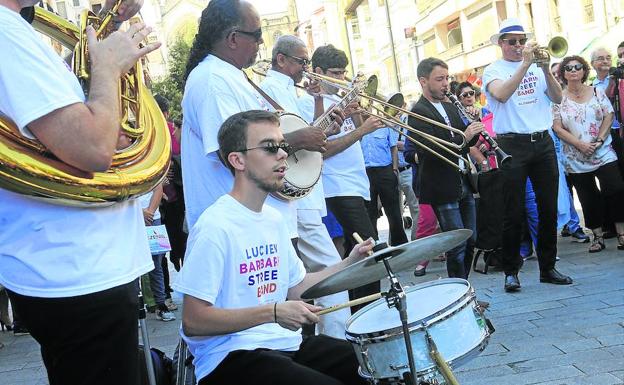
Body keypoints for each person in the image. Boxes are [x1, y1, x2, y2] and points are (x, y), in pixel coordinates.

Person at [0, 0, 160, 383]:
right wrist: (107, 67)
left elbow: (76, 134)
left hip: (77, 269)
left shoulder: (15, 30)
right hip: (78, 273)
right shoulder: (6, 32)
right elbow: (91, 147)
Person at [174, 110, 373, 385]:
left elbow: (296, 286)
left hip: (285, 345)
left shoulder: (274, 218)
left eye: (282, 146)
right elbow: (193, 321)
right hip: (230, 356)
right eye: (270, 148)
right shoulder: (215, 226)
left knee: (373, 365)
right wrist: (274, 312)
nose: (282, 154)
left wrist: (350, 263)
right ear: (238, 160)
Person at [181, 0, 332, 242]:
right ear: (232, 38)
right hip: (239, 232)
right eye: (257, 34)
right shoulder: (212, 81)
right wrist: (300, 139)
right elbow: (233, 153)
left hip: (262, 223)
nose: (262, 42)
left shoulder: (233, 76)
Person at [259, 35, 350, 338]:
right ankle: (336, 339)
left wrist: (326, 115)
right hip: (290, 193)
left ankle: (330, 337)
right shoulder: (269, 88)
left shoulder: (290, 90)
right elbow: (281, 139)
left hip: (302, 191)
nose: (306, 68)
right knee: (328, 268)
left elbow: (308, 133)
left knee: (312, 271)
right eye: (301, 61)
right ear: (281, 59)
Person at [482, 18, 573, 291]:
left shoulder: (537, 66)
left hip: (543, 142)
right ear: (501, 44)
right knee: (513, 210)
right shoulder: (493, 70)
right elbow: (501, 94)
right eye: (512, 42)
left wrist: (545, 69)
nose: (519, 46)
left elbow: (557, 98)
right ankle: (511, 270)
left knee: (548, 209)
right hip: (512, 144)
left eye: (522, 41)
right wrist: (525, 64)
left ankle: (548, 267)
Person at [310, 44, 384, 310]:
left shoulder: (339, 100)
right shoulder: (312, 102)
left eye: (343, 73)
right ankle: (365, 310)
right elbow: (321, 150)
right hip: (336, 186)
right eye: (335, 73)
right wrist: (361, 130)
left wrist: (357, 115)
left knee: (360, 251)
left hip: (356, 184)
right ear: (317, 72)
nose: (341, 79)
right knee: (368, 252)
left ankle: (359, 308)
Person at [404, 58, 482, 280]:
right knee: (456, 243)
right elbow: (430, 150)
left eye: (447, 78)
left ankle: (463, 285)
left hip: (462, 179)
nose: (446, 83)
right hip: (441, 184)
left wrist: (474, 129)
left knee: (471, 239)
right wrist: (463, 138)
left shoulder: (450, 105)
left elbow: (464, 144)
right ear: (423, 81)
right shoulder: (418, 111)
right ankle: (457, 289)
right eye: (439, 79)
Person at [553, 55, 624, 252]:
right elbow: (557, 128)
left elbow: (609, 115)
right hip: (575, 156)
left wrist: (600, 139)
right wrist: (580, 145)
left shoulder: (597, 91)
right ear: (563, 74)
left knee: (616, 188)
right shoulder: (558, 98)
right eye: (568, 68)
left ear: (584, 70)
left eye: (577, 67)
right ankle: (597, 236)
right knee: (587, 196)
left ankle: (622, 233)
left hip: (603, 151)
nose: (573, 70)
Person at [360, 124, 408, 246]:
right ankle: (373, 244)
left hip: (385, 170)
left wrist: (395, 169)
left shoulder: (384, 126)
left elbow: (393, 148)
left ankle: (399, 243)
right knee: (369, 211)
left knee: (393, 210)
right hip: (365, 172)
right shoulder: (358, 127)